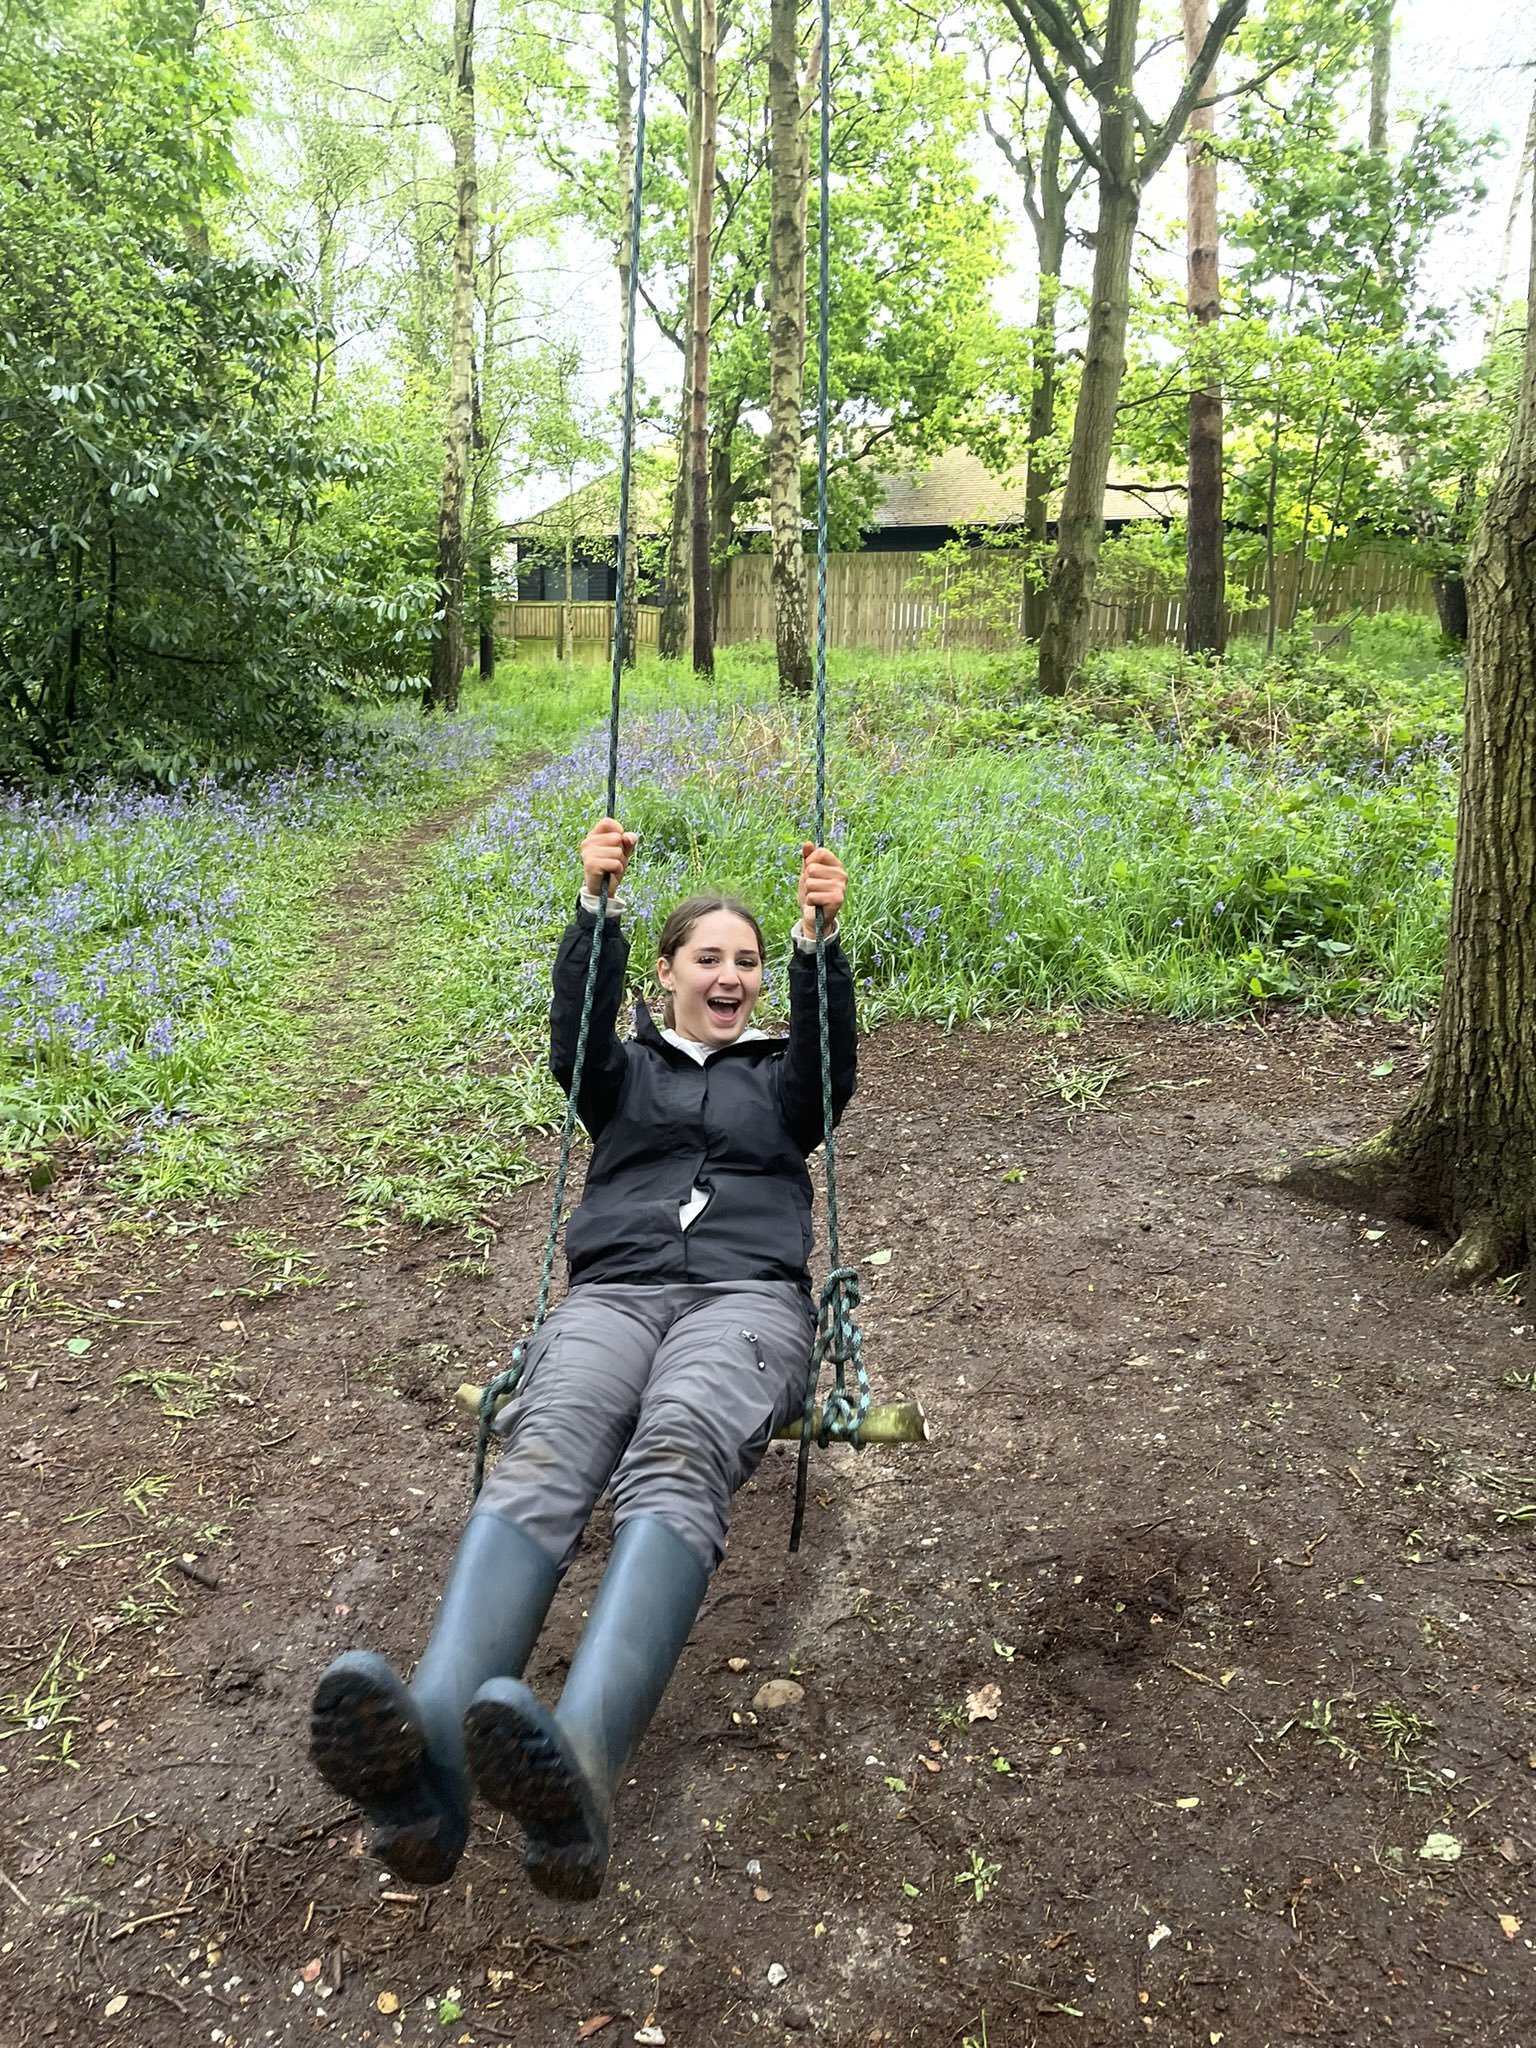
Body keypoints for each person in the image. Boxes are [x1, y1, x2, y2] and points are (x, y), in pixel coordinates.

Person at [309, 819, 855, 1901]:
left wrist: (817, 944)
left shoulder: (788, 1078)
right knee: (548, 1448)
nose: (732, 974)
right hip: (614, 1292)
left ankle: (586, 1771)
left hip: (744, 1300)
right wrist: (595, 910)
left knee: (680, 1444)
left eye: (747, 960)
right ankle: (425, 1771)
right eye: (711, 955)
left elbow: (831, 1065)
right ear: (668, 971)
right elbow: (573, 1037)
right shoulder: (625, 1072)